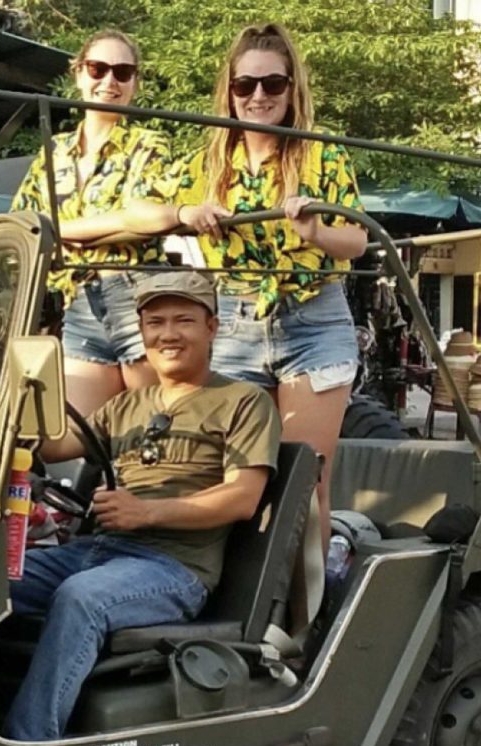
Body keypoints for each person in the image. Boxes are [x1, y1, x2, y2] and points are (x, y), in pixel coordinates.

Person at [58, 23, 367, 550]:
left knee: (303, 482)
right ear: (229, 90)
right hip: (236, 321)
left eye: (273, 84)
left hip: (312, 318)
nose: (259, 96)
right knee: (230, 476)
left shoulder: (320, 153)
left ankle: (310, 619)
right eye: (245, 85)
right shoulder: (207, 161)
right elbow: (139, 212)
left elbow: (357, 240)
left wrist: (316, 231)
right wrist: (183, 212)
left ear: (293, 88)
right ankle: (245, 615)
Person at [4, 270, 280, 742]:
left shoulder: (243, 402)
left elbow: (241, 498)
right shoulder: (127, 404)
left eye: (183, 321)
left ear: (211, 327)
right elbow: (54, 447)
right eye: (155, 323)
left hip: (174, 567)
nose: (167, 334)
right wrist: (5, 409)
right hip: (98, 552)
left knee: (81, 600)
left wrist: (146, 512)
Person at [0, 29, 171, 417]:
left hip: (130, 296)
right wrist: (106, 226)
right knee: (65, 433)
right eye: (98, 68)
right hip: (61, 308)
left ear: (135, 83)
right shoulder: (53, 151)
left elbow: (146, 222)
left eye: (123, 72)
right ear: (78, 73)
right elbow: (23, 225)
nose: (109, 81)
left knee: (151, 427)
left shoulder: (151, 144)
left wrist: (60, 232)